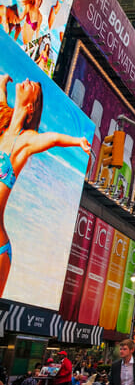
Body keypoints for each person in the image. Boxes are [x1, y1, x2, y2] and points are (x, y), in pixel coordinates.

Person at [0, 76, 90, 297]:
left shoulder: (26, 140)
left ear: (31, 107)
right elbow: (2, 102)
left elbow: (53, 138)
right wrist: (3, 84)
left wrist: (77, 141)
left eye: (33, 87)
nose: (28, 80)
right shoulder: (2, 130)